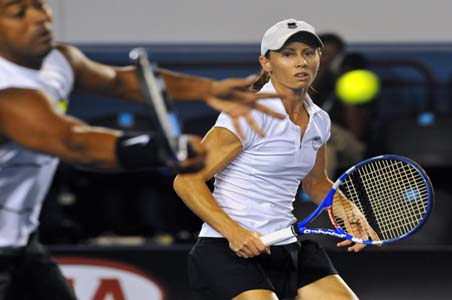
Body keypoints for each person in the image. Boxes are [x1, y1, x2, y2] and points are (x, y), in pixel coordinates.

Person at [0, 1, 285, 299]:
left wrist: (208, 90)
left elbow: (121, 81)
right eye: (19, 13)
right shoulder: (8, 95)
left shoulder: (59, 59)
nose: (39, 17)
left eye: (40, 5)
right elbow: (76, 143)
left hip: (21, 247)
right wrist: (160, 149)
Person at [174, 19, 377, 300]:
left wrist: (347, 211)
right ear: (266, 63)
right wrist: (234, 232)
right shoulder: (248, 114)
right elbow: (186, 180)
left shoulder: (319, 120)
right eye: (288, 54)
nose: (301, 62)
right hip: (227, 249)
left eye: (309, 52)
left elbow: (315, 182)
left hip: (286, 244)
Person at [311, 32, 374, 177]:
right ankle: (319, 199)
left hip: (350, 147)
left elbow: (356, 133)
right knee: (327, 153)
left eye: (333, 57)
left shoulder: (358, 82)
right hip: (317, 146)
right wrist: (317, 73)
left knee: (321, 128)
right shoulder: (304, 82)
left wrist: (347, 90)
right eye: (323, 55)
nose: (328, 61)